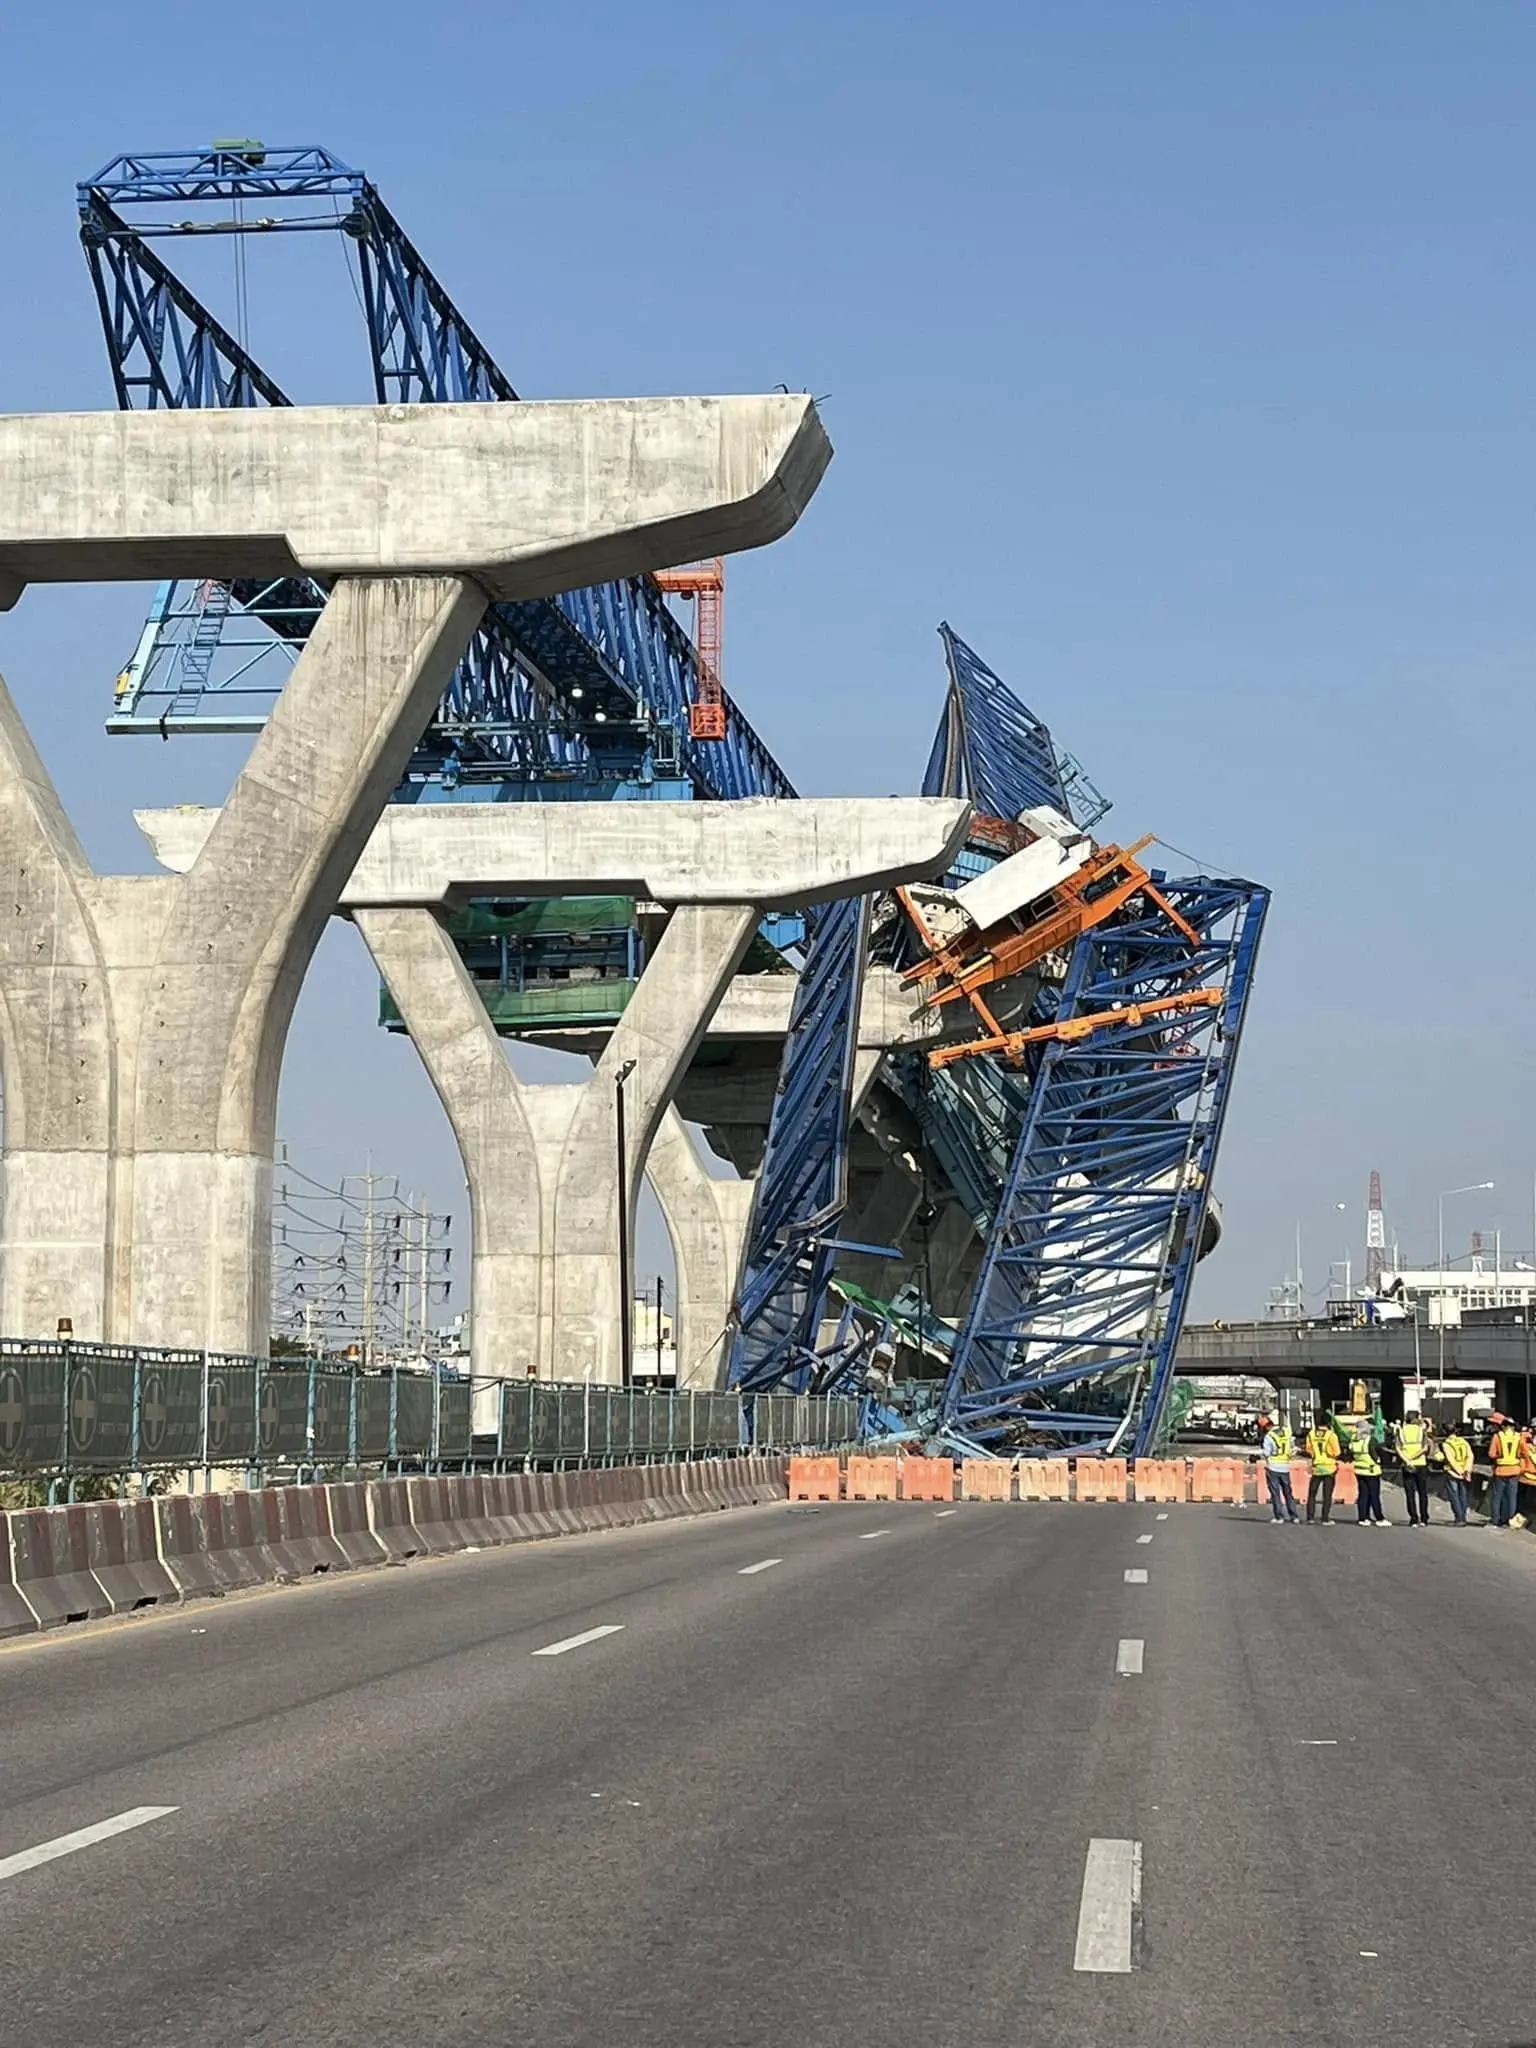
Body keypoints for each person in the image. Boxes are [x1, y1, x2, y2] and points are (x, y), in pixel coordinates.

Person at [1392, 1412, 1433, 1527]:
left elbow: (1397, 1448)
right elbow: (1425, 1448)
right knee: (1422, 1493)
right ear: (1417, 1418)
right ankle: (1424, 1518)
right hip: (1420, 1463)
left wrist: (1406, 1460)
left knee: (1410, 1493)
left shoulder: (1401, 1431)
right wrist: (1413, 1457)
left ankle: (1413, 1518)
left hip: (1407, 1465)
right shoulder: (1421, 1431)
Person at [1258, 1413, 1300, 1524]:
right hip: (1285, 1467)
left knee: (1275, 1493)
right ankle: (1294, 1516)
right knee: (1288, 1492)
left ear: (1266, 1426)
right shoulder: (1286, 1432)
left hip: (1273, 1467)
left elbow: (1267, 1453)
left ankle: (1279, 1517)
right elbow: (1292, 1448)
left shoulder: (1269, 1436)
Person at [1304, 1412, 1342, 1524]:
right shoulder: (1331, 1435)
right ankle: (1325, 1518)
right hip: (1329, 1468)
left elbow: (1308, 1449)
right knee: (1327, 1495)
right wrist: (1328, 1453)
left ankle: (1310, 1517)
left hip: (1317, 1467)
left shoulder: (1311, 1434)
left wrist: (1316, 1455)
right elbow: (1336, 1452)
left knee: (1312, 1493)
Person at [1349, 1419, 1389, 1525]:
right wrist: (1380, 1461)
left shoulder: (1354, 1439)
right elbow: (1376, 1453)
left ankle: (1363, 1518)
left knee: (1363, 1494)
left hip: (1359, 1470)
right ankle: (1379, 1518)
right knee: (1374, 1495)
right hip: (1371, 1470)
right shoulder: (1370, 1440)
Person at [1486, 1413, 1523, 1529]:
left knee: (1497, 1496)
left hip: (1501, 1470)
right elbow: (1521, 1453)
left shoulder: (1498, 1437)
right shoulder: (1518, 1436)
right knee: (1512, 1497)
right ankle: (1509, 1520)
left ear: (1503, 1426)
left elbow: (1491, 1454)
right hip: (1515, 1470)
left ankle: (1496, 1520)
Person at [1440, 1420, 1473, 1527]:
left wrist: (1459, 1471)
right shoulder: (1463, 1441)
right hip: (1464, 1471)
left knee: (1454, 1496)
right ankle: (1463, 1516)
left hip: (1453, 1472)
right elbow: (1470, 1456)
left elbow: (1451, 1460)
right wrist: (1467, 1470)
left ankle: (1459, 1518)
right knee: (1463, 1495)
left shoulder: (1446, 1444)